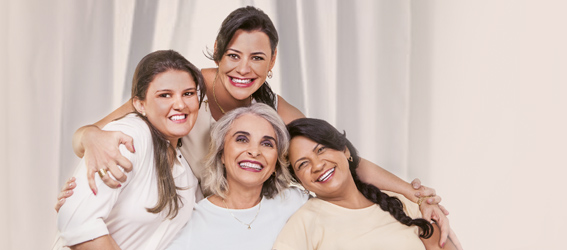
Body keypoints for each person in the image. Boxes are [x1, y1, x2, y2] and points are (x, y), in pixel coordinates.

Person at [59, 6, 455, 245]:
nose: (244, 69)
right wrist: (91, 137)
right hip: (186, 214)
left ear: (273, 61)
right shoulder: (185, 86)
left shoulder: (271, 107)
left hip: (216, 214)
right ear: (218, 51)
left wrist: (414, 192)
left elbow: (340, 156)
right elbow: (107, 125)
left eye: (257, 58)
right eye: (233, 55)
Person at [56, 50, 204, 250]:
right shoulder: (129, 137)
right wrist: (88, 135)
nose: (180, 104)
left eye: (188, 93)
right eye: (165, 95)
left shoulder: (184, 167)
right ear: (139, 104)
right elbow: (78, 223)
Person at [273, 118, 462, 250]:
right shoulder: (303, 222)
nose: (317, 165)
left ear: (345, 151)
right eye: (303, 164)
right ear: (300, 182)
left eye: (321, 149)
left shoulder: (403, 202)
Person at [165, 104, 310, 249]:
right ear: (221, 153)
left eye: (267, 143)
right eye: (241, 139)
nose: (254, 151)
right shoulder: (192, 222)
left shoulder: (295, 201)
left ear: (276, 163)